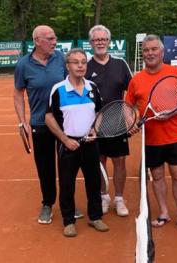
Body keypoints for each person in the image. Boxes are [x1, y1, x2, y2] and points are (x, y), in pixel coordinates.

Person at [14, 25, 83, 224]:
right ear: (37, 41)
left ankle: (68, 203)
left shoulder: (61, 58)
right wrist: (22, 121)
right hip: (38, 123)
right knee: (45, 167)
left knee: (67, 166)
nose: (55, 42)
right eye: (50, 39)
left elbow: (75, 81)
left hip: (63, 123)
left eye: (55, 38)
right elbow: (18, 93)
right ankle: (47, 203)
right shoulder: (23, 65)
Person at [126, 35, 177, 231]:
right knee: (157, 176)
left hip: (175, 136)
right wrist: (131, 122)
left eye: (154, 49)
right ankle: (164, 212)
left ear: (162, 52)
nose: (150, 53)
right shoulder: (136, 79)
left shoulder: (175, 73)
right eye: (146, 50)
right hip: (151, 139)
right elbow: (128, 106)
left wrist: (173, 112)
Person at [45, 48, 109, 237]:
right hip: (68, 145)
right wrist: (65, 140)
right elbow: (49, 117)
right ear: (68, 66)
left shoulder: (92, 87)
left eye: (83, 62)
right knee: (67, 184)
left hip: (90, 143)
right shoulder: (58, 89)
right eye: (76, 62)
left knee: (94, 182)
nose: (80, 65)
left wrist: (95, 130)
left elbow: (100, 112)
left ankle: (95, 217)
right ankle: (69, 221)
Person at [86, 25, 132, 217]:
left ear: (109, 41)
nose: (100, 42)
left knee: (119, 162)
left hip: (117, 122)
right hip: (92, 124)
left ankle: (119, 198)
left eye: (103, 39)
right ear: (90, 43)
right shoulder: (85, 65)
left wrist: (130, 115)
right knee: (99, 162)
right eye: (96, 40)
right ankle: (103, 196)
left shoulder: (120, 64)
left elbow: (132, 91)